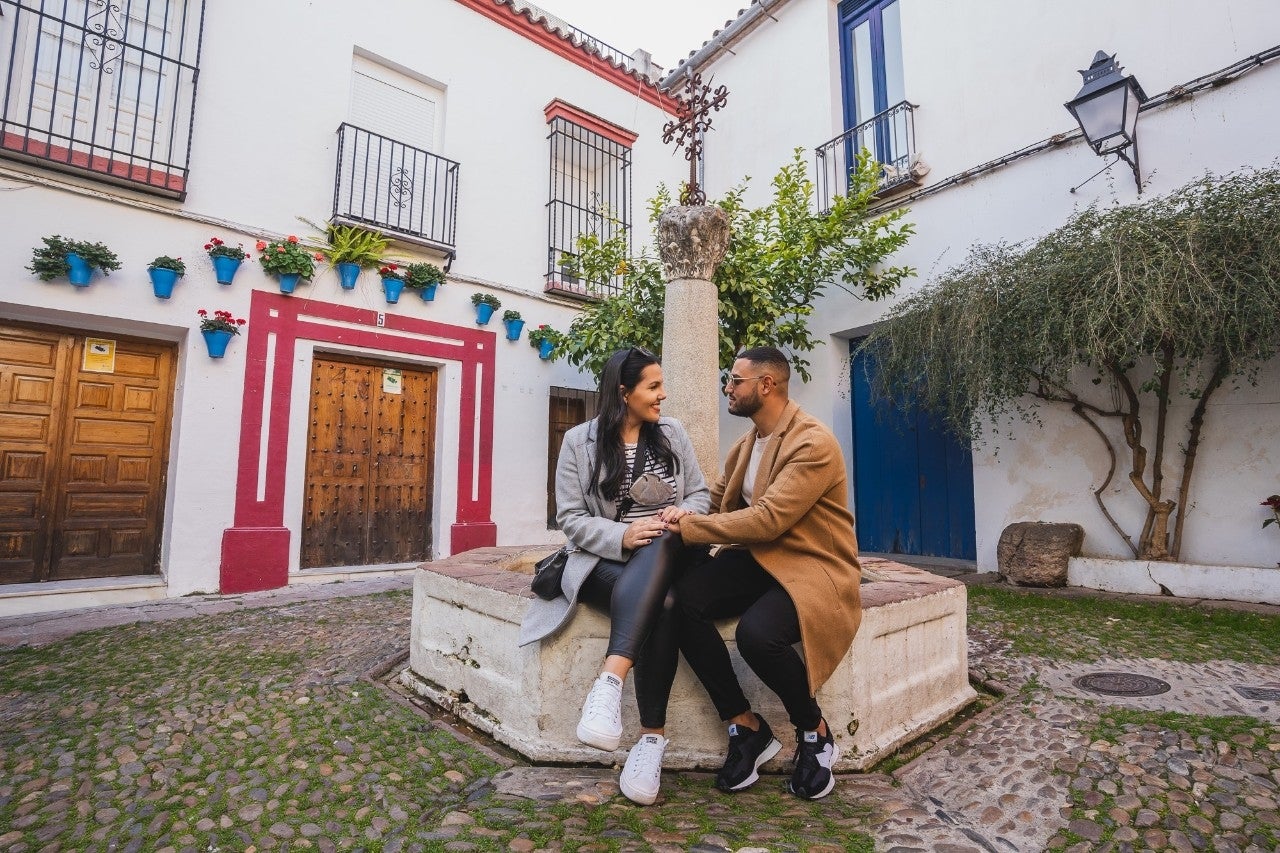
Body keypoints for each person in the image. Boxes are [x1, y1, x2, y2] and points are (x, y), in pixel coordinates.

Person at [668, 346, 862, 801]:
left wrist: (691, 527)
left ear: (766, 385)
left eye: (735, 380)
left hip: (813, 564)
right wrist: (669, 517)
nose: (727, 389)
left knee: (759, 634)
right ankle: (745, 726)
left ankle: (814, 732)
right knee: (679, 601)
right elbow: (715, 503)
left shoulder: (812, 442)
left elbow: (768, 519)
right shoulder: (748, 443)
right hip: (761, 558)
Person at [518, 347, 710, 805]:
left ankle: (609, 682)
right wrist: (623, 535)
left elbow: (701, 493)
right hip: (606, 558)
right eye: (653, 386)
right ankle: (650, 742)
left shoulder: (672, 432)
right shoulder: (579, 441)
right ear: (624, 393)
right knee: (662, 606)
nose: (663, 395)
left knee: (662, 536)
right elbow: (571, 517)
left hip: (671, 550)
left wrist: (684, 512)